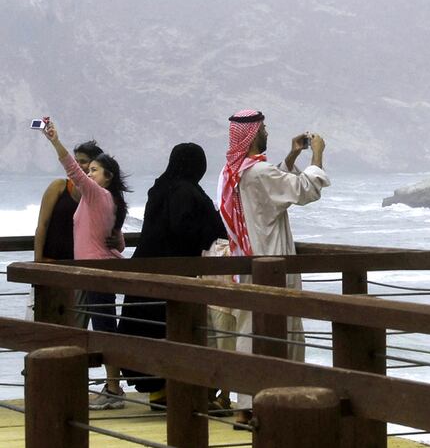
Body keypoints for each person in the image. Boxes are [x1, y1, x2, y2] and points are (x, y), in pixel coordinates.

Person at [218, 109, 329, 426]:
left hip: (246, 262)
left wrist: (292, 156)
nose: (267, 131)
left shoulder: (234, 171)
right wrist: (317, 155)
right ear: (253, 134)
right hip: (271, 259)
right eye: (263, 128)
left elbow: (273, 189)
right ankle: (284, 403)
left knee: (249, 333)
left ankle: (246, 406)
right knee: (282, 331)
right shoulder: (258, 173)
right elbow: (304, 190)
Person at [117, 143, 228, 410]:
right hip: (174, 274)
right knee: (175, 330)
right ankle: (177, 395)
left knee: (148, 331)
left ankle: (160, 393)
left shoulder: (160, 189)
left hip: (147, 270)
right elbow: (184, 228)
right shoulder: (186, 191)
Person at [41, 119, 130, 410]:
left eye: (93, 170)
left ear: (107, 176)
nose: (87, 173)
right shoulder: (107, 199)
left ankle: (114, 389)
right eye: (88, 170)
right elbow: (118, 241)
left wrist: (55, 141)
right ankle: (112, 386)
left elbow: (72, 170)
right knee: (104, 328)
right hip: (97, 270)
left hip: (95, 273)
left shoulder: (97, 194)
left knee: (104, 330)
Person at [31, 140, 104, 326]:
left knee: (76, 326)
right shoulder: (59, 187)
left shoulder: (97, 196)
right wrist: (38, 264)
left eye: (85, 161)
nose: (79, 165)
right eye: (76, 160)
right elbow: (42, 226)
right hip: (52, 264)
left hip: (81, 270)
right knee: (47, 322)